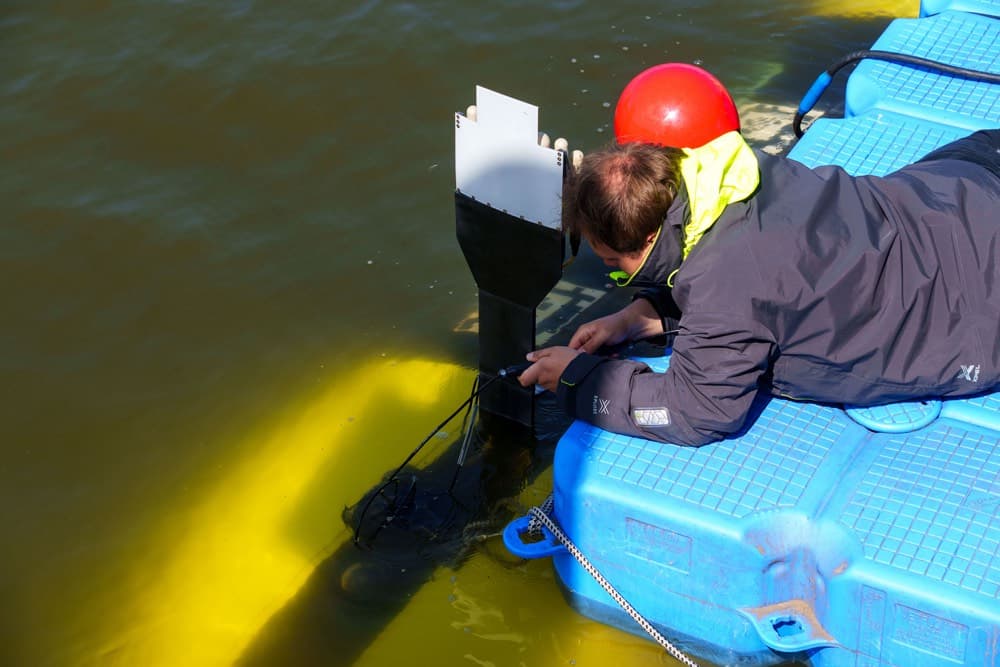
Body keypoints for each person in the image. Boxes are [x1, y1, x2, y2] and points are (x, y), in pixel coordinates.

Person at [518, 128, 1000, 446]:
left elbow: (696, 411)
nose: (613, 275)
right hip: (962, 184)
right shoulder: (735, 171)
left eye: (614, 265)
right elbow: (769, 283)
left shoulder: (724, 289)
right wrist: (639, 317)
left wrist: (579, 381)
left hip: (981, 307)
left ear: (648, 239)